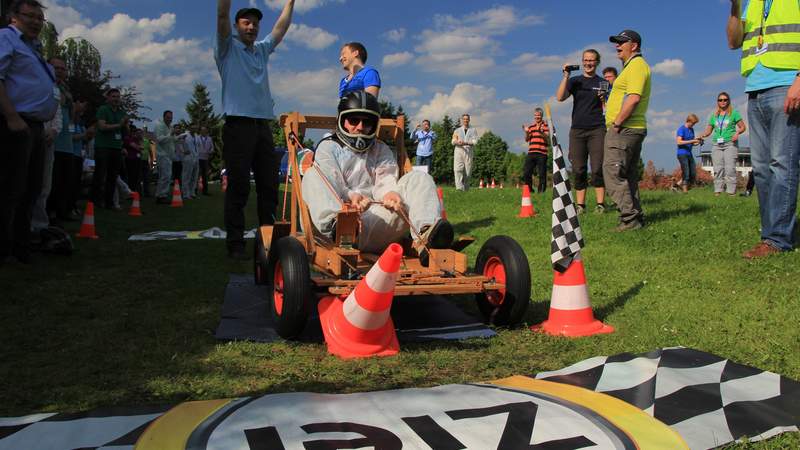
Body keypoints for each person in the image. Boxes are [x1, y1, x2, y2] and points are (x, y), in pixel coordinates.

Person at [302, 91, 452, 258]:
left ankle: (427, 235)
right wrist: (351, 197)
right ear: (342, 120)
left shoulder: (380, 149)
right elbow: (331, 181)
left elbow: (386, 180)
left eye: (367, 122)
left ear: (374, 125)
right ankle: (338, 227)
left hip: (371, 225)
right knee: (312, 175)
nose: (359, 126)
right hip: (338, 229)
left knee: (419, 177)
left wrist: (390, 193)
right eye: (353, 120)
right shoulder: (328, 147)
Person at [216, 0, 294, 259]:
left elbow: (280, 29)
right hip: (238, 126)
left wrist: (290, 2)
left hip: (262, 127)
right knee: (238, 187)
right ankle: (235, 244)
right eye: (246, 23)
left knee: (269, 187)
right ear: (237, 26)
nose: (251, 27)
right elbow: (222, 14)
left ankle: (268, 242)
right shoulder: (227, 48)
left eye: (255, 23)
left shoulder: (261, 50)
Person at [728, 0, 800, 258]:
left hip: (787, 83)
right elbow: (734, 41)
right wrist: (734, 6)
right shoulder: (753, 4)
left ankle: (777, 240)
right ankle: (772, 232)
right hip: (756, 90)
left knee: (783, 163)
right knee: (760, 168)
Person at [0, 0, 58, 264]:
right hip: (15, 122)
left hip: (34, 126)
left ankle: (22, 247)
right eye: (30, 16)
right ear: (13, 17)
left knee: (31, 189)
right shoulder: (6, 38)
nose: (36, 21)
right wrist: (11, 116)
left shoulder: (34, 49)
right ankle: (5, 249)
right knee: (11, 187)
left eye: (40, 18)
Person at [603, 29, 651, 231]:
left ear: (634, 45)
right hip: (630, 129)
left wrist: (617, 123)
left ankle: (629, 219)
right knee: (627, 175)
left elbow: (633, 98)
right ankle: (635, 217)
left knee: (612, 173)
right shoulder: (631, 67)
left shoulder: (637, 66)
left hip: (625, 130)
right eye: (616, 42)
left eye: (622, 42)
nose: (617, 45)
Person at [556, 49, 607, 214]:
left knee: (597, 167)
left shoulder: (603, 82)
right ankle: (581, 206)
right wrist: (566, 76)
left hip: (597, 128)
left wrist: (604, 99)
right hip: (577, 130)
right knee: (578, 168)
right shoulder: (575, 81)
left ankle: (600, 204)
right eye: (585, 60)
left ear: (597, 62)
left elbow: (608, 107)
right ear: (582, 61)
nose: (588, 63)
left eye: (592, 60)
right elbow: (560, 97)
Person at [697, 92, 747, 196]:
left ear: (728, 101)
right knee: (718, 168)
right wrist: (702, 135)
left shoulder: (734, 113)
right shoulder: (714, 115)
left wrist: (737, 133)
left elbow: (743, 127)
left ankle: (731, 192)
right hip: (716, 144)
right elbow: (709, 130)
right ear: (717, 102)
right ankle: (718, 191)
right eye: (720, 100)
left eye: (725, 100)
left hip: (730, 143)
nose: (723, 102)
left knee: (730, 168)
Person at [92, 88, 128, 210]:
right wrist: (119, 125)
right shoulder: (103, 109)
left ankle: (109, 203)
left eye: (117, 96)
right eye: (113, 96)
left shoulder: (121, 112)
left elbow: (124, 131)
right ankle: (96, 202)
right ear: (108, 98)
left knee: (113, 176)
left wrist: (125, 126)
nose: (116, 99)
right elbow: (102, 126)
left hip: (116, 147)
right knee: (100, 175)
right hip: (103, 146)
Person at [522, 108, 550, 194]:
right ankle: (530, 190)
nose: (537, 117)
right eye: (535, 115)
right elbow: (527, 139)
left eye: (538, 115)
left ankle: (541, 191)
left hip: (542, 153)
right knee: (526, 172)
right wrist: (526, 132)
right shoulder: (531, 127)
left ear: (541, 116)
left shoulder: (546, 126)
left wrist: (540, 131)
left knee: (542, 173)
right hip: (531, 152)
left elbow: (547, 138)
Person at [675, 114, 703, 193]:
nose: (694, 125)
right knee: (686, 171)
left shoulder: (692, 130)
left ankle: (676, 186)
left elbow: (692, 143)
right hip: (682, 153)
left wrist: (698, 141)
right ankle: (684, 189)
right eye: (693, 123)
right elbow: (679, 142)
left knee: (693, 172)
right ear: (689, 121)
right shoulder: (681, 129)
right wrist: (693, 141)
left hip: (689, 153)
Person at [451, 113, 478, 191]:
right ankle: (459, 188)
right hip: (459, 150)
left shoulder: (473, 130)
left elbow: (475, 141)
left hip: (469, 151)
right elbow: (453, 141)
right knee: (457, 169)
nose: (465, 120)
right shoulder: (457, 130)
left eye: (467, 119)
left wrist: (467, 143)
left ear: (469, 120)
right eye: (464, 119)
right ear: (462, 120)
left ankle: (466, 188)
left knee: (468, 172)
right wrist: (457, 142)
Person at [154, 110, 176, 204]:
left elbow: (171, 139)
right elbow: (159, 140)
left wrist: (179, 137)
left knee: (166, 176)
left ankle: (160, 195)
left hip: (169, 155)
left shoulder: (170, 127)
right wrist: (170, 134)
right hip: (162, 154)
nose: (170, 119)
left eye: (171, 117)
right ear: (164, 117)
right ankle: (161, 195)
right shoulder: (159, 126)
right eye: (168, 117)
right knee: (165, 176)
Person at [181, 126, 200, 200]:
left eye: (194, 128)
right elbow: (177, 142)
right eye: (192, 128)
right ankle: (185, 194)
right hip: (188, 158)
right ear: (189, 129)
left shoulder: (196, 136)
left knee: (194, 177)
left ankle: (192, 193)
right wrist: (183, 151)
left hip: (196, 158)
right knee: (186, 176)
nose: (194, 129)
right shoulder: (185, 135)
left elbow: (198, 146)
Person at [198, 126, 214, 195]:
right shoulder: (197, 138)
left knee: (205, 175)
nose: (203, 131)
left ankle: (205, 191)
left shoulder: (209, 139)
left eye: (205, 130)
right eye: (202, 130)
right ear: (200, 131)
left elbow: (212, 148)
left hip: (205, 159)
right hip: (198, 158)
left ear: (206, 131)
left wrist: (210, 151)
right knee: (196, 174)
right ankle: (194, 190)